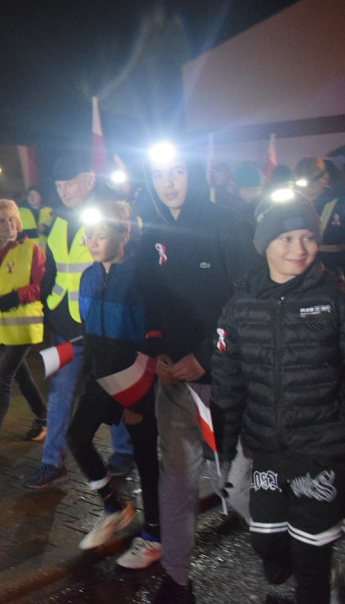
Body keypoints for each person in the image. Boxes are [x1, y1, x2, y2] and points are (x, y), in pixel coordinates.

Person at [137, 141, 262, 604]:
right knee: (178, 478)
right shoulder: (149, 231)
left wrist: (209, 356)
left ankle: (290, 548)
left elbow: (248, 301)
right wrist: (157, 353)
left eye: (177, 172)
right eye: (159, 175)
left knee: (242, 481)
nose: (168, 183)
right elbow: (149, 299)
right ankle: (177, 577)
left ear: (194, 174)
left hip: (227, 380)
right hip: (174, 385)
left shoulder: (227, 223)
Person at [212, 189, 345, 604]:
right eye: (285, 238)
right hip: (267, 451)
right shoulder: (240, 305)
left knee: (309, 558)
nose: (299, 249)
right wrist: (226, 448)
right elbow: (228, 382)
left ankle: (321, 575)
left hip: (321, 452)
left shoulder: (333, 298)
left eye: (307, 236)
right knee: (266, 543)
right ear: (264, 242)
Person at [24, 153, 135, 489]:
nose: (63, 190)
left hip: (101, 324)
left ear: (88, 179)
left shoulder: (111, 215)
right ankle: (52, 462)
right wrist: (46, 305)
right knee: (60, 393)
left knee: (112, 387)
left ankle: (124, 453)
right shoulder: (57, 221)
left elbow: (123, 268)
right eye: (58, 185)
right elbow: (54, 270)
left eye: (68, 183)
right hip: (65, 324)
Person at [65, 201, 162, 569]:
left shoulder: (141, 275)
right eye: (88, 234)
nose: (91, 240)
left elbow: (152, 336)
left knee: (146, 459)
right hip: (101, 379)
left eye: (100, 234)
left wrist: (138, 399)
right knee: (76, 438)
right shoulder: (88, 276)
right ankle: (114, 507)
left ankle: (154, 535)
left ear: (123, 234)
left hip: (136, 382)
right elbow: (90, 331)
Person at [0, 199, 49, 457]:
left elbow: (40, 284)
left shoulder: (31, 248)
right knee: (21, 375)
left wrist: (15, 297)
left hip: (23, 326)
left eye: (12, 219)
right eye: (2, 220)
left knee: (3, 378)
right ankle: (43, 418)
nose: (9, 224)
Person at [293, 157, 345, 276]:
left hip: (334, 266)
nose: (303, 190)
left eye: (308, 185)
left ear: (323, 180)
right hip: (303, 267)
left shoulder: (340, 202)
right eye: (299, 184)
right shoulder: (293, 204)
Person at [19, 185, 54, 250]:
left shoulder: (49, 212)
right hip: (26, 252)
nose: (32, 197)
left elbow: (54, 232)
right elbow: (16, 234)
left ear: (40, 197)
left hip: (45, 252)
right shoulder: (20, 212)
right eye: (30, 195)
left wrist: (45, 230)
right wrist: (36, 231)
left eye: (34, 195)